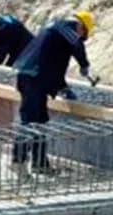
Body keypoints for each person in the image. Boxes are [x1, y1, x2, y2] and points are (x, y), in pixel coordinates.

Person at [11, 10, 96, 176]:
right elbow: (77, 45)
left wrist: (62, 86)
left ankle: (40, 163)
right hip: (32, 78)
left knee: (41, 121)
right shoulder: (66, 28)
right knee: (29, 122)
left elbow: (53, 62)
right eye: (83, 33)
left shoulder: (58, 33)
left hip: (34, 77)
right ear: (80, 26)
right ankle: (18, 161)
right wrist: (84, 66)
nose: (82, 37)